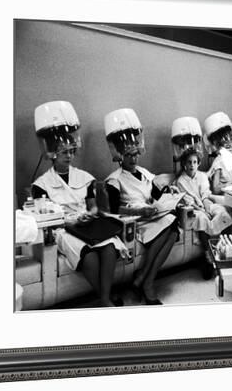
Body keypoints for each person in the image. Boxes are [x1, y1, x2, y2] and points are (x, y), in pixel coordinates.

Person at [31, 101, 128, 307]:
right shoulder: (41, 185)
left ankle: (103, 299)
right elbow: (47, 217)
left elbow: (92, 206)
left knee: (110, 247)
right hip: (62, 229)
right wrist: (69, 221)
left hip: (87, 223)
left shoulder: (85, 177)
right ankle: (106, 299)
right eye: (64, 152)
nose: (69, 156)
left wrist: (90, 214)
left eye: (71, 151)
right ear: (53, 153)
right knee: (90, 257)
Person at [104, 108, 179, 305]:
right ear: (120, 154)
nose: (134, 158)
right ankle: (147, 283)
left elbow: (155, 192)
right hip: (136, 221)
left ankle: (143, 277)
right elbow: (113, 210)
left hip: (152, 215)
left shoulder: (145, 172)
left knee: (173, 228)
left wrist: (168, 192)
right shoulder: (114, 180)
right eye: (129, 155)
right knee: (171, 229)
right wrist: (138, 211)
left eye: (136, 153)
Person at [173, 148, 232, 279]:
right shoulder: (181, 181)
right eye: (189, 162)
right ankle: (209, 256)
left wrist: (208, 207)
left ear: (198, 163)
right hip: (193, 208)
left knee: (222, 212)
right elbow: (188, 200)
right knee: (203, 219)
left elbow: (205, 195)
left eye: (194, 162)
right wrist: (202, 210)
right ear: (184, 164)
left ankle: (228, 251)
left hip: (205, 203)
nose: (192, 165)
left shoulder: (202, 176)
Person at [203, 111, 232, 194]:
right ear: (217, 143)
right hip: (224, 197)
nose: (229, 142)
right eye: (225, 140)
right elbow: (216, 189)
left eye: (230, 136)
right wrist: (230, 185)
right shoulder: (218, 162)